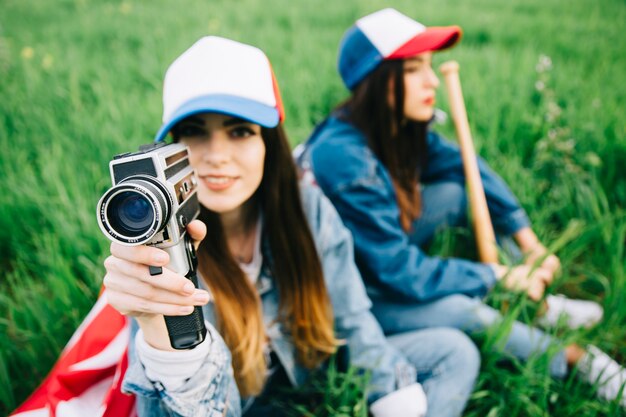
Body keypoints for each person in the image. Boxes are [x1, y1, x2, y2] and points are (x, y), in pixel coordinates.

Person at [102, 35, 480, 417]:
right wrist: (165, 337)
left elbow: (352, 319)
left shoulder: (307, 207)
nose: (216, 156)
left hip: (310, 373)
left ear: (269, 143)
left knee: (455, 353)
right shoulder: (165, 251)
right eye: (196, 132)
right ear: (174, 152)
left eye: (239, 132)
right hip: (242, 406)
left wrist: (390, 395)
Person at [299, 8, 626, 407]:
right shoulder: (343, 156)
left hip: (371, 259)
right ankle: (579, 364)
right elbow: (398, 272)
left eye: (431, 66)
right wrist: (492, 276)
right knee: (463, 312)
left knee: (457, 192)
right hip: (338, 298)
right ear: (376, 80)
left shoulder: (394, 126)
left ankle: (536, 305)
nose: (432, 80)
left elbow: (468, 168)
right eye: (414, 69)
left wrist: (528, 242)